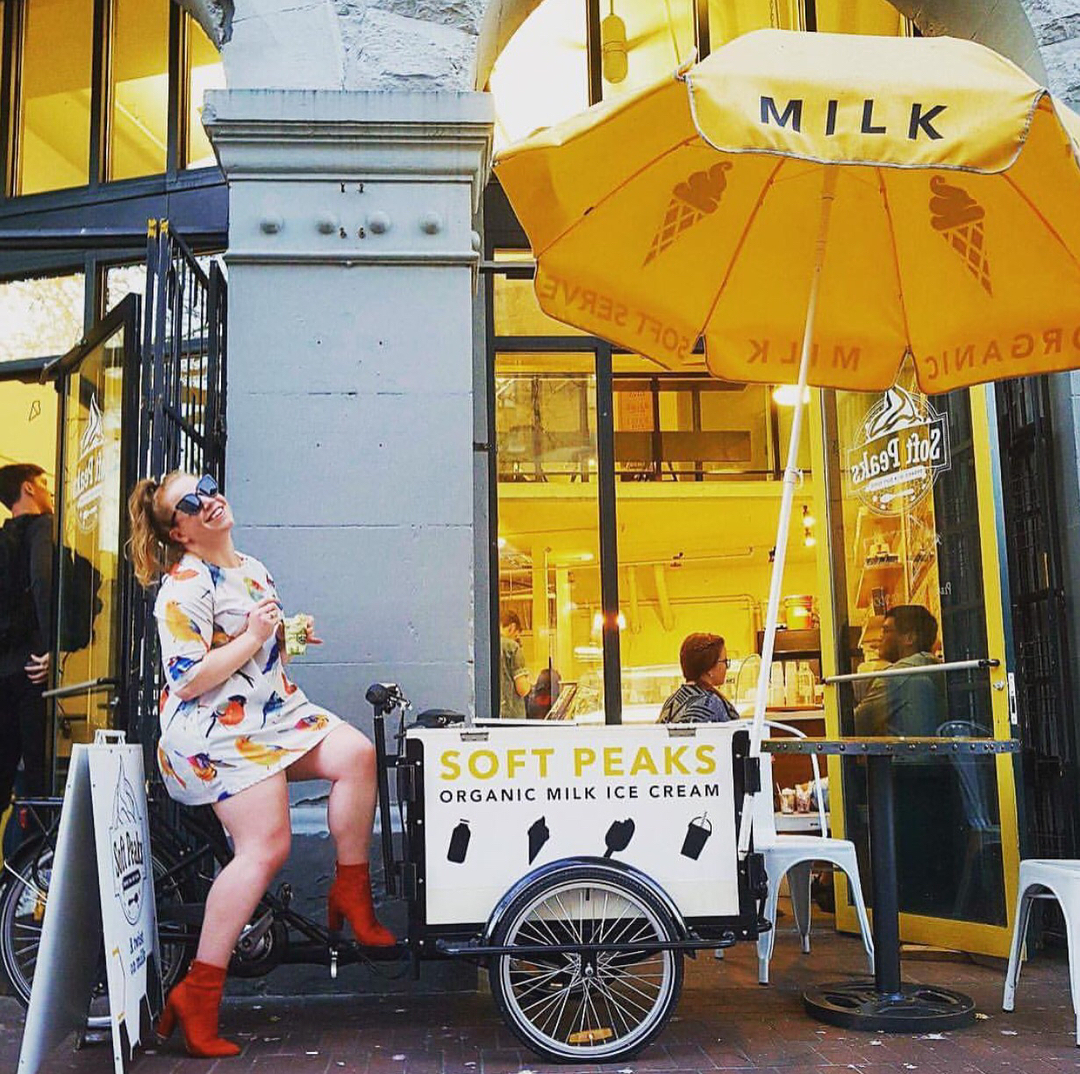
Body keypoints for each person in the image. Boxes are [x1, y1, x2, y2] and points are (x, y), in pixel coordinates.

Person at [128, 471, 394, 1058]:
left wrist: (287, 637)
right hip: (215, 735)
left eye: (207, 484)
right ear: (182, 533)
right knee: (266, 848)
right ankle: (196, 995)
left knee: (357, 755)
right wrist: (253, 639)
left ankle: (350, 892)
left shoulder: (249, 566)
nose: (209, 499)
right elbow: (188, 677)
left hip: (270, 717)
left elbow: (258, 646)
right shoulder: (183, 588)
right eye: (192, 503)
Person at [0, 464, 54, 811]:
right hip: (33, 670)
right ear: (29, 488)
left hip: (2, 671)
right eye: (45, 483)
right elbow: (43, 584)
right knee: (37, 783)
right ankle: (37, 863)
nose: (50, 491)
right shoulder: (43, 528)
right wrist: (51, 645)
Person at [854, 605, 945, 737]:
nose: (880, 637)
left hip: (903, 756)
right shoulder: (933, 666)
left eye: (886, 631)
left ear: (909, 638)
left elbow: (855, 726)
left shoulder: (897, 677)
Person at [659, 632, 739, 724]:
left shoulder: (671, 701)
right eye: (724, 661)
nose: (726, 666)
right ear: (709, 668)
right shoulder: (712, 703)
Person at [499, 610, 530, 718]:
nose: (517, 639)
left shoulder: (487, 645)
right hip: (511, 716)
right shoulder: (512, 647)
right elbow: (523, 689)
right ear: (512, 627)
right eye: (516, 635)